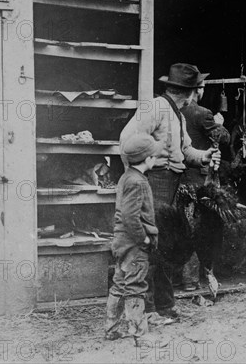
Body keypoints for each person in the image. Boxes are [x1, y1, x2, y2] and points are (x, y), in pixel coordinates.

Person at [119, 63, 221, 319]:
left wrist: (205, 156)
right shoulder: (154, 107)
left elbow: (185, 151)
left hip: (172, 183)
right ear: (190, 92)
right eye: (198, 89)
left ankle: (164, 307)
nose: (199, 94)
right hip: (154, 182)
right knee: (152, 245)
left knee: (165, 245)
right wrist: (138, 177)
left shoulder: (179, 114)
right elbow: (127, 142)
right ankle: (151, 308)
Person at [105, 133, 164, 343]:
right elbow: (131, 217)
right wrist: (144, 240)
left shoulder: (126, 176)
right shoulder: (138, 182)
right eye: (154, 156)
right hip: (134, 246)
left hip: (122, 242)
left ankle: (111, 329)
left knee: (120, 284)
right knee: (135, 286)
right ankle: (139, 334)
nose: (155, 159)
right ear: (148, 159)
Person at [179, 85, 231, 291]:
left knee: (183, 224)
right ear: (197, 90)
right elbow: (223, 138)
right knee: (200, 228)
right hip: (199, 178)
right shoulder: (202, 113)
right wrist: (220, 124)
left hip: (178, 177)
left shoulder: (174, 111)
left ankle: (185, 278)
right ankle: (196, 277)